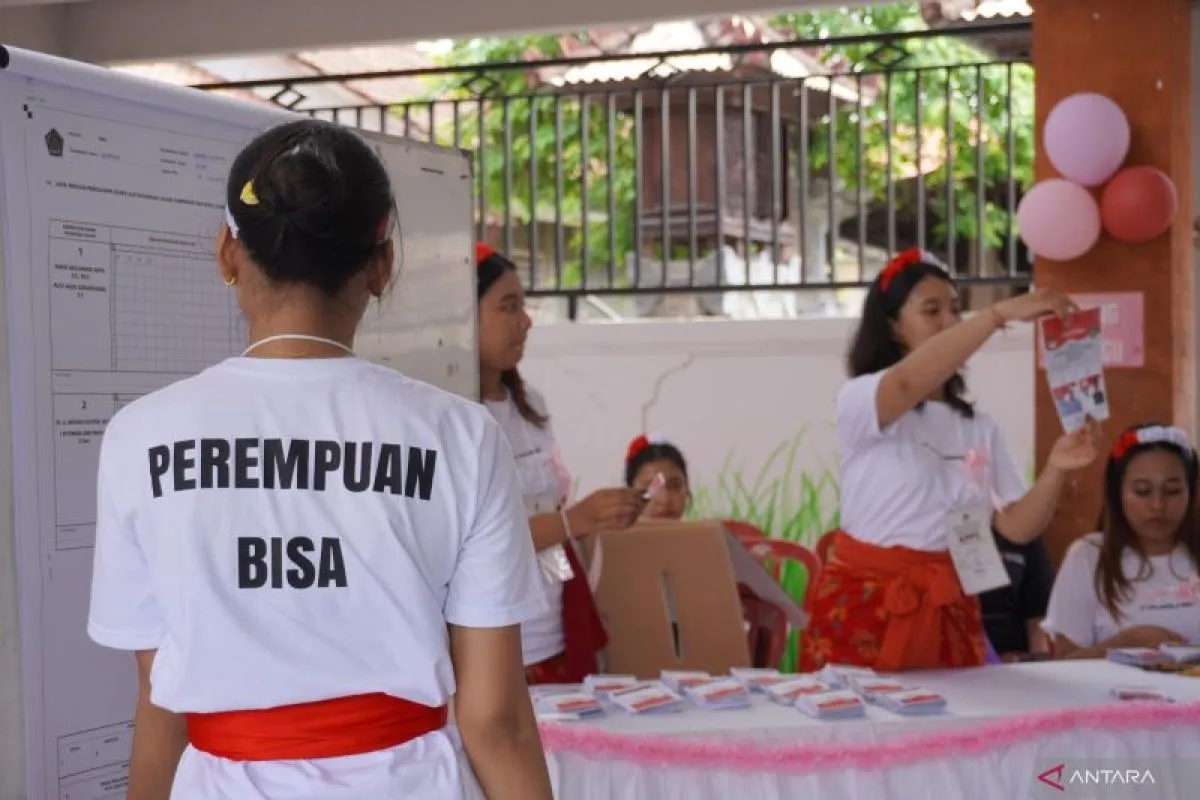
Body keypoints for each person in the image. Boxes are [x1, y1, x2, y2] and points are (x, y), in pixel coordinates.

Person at [87, 120, 553, 800]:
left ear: (227, 252)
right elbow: (495, 721)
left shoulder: (141, 437)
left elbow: (161, 701)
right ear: (381, 265)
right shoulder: (461, 437)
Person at [798, 248, 1097, 673]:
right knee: (856, 715)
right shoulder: (863, 399)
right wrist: (997, 315)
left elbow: (1016, 527)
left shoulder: (980, 427)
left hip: (948, 603)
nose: (949, 320)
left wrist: (1056, 468)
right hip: (866, 603)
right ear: (893, 325)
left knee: (948, 715)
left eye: (955, 309)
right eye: (931, 310)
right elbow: (906, 382)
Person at [475, 243, 644, 684]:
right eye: (508, 307)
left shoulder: (529, 404)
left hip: (551, 623)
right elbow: (477, 540)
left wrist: (597, 516)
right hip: (497, 638)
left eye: (523, 306)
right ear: (464, 318)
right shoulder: (456, 417)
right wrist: (575, 520)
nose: (525, 321)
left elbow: (548, 510)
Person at [1042, 423, 1200, 658]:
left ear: (1191, 492)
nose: (1157, 505)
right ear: (1118, 493)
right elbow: (1063, 663)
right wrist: (1126, 644)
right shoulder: (1088, 557)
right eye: (1142, 491)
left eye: (1173, 491)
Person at [978, 529, 1054, 661]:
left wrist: (1038, 660)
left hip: (1015, 655)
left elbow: (1036, 613)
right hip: (959, 650)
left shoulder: (1024, 531)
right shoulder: (942, 535)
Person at [624, 433, 691, 521]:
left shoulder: (704, 529)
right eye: (652, 488)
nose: (665, 500)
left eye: (675, 486)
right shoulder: (610, 530)